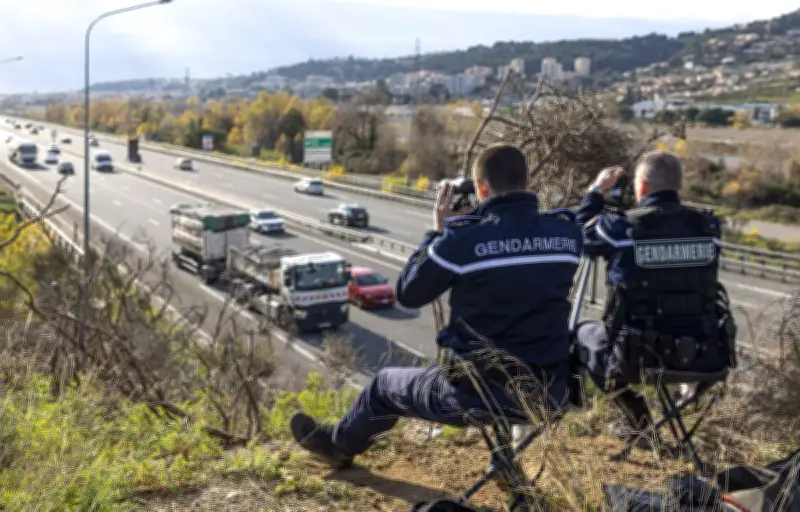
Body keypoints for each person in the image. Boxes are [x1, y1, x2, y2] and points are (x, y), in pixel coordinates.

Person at [290, 143, 584, 468]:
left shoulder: (462, 241)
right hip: (551, 392)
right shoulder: (567, 235)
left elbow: (409, 293)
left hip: (477, 396)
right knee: (510, 357)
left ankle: (337, 447)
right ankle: (506, 467)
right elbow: (516, 245)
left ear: (482, 188)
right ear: (528, 184)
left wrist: (437, 231)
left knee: (385, 385)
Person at [575, 151, 733, 448]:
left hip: (634, 358)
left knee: (582, 333)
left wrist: (596, 192)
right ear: (679, 186)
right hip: (704, 354)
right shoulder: (708, 228)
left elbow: (579, 233)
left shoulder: (621, 227)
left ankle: (638, 422)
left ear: (642, 187)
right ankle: (677, 411)